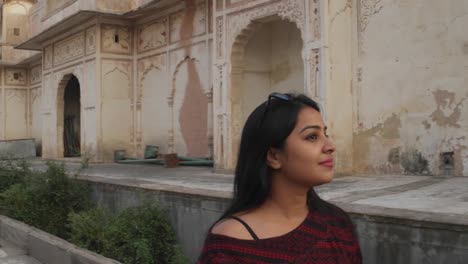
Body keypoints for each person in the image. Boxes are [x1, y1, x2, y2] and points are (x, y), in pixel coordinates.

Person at [197, 93, 362, 264]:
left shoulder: (336, 222)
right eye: (312, 136)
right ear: (274, 156)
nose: (330, 146)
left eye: (325, 134)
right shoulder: (229, 247)